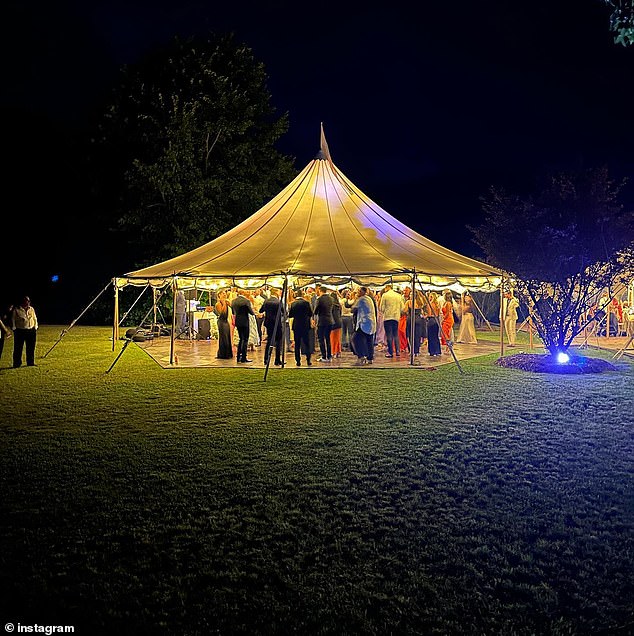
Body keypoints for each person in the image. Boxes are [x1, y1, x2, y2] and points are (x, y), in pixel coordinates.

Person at [351, 286, 376, 365]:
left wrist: (354, 299)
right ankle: (370, 358)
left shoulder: (361, 299)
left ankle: (361, 357)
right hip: (371, 323)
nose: (358, 293)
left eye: (359, 291)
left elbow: (352, 309)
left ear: (362, 292)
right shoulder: (370, 299)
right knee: (369, 341)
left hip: (363, 323)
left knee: (355, 339)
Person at [12, 296, 38, 368]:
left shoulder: (31, 309)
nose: (27, 303)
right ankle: (17, 363)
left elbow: (34, 318)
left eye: (28, 301)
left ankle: (30, 362)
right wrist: (14, 328)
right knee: (18, 348)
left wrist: (35, 327)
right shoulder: (17, 309)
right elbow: (13, 319)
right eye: (26, 301)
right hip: (20, 330)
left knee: (31, 347)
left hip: (31, 330)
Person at [289, 290, 314, 366]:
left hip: (296, 325)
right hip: (305, 325)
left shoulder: (293, 304)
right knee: (307, 343)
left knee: (297, 344)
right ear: (302, 295)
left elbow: (290, 315)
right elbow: (310, 313)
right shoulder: (306, 303)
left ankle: (298, 361)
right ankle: (308, 360)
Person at [260, 288, 283, 366]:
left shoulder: (266, 301)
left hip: (269, 323)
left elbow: (261, 310)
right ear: (276, 292)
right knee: (278, 341)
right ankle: (277, 359)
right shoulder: (278, 302)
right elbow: (283, 311)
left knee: (269, 341)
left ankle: (266, 359)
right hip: (277, 323)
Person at [231, 289, 256, 363]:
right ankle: (243, 357)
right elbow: (251, 312)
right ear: (243, 293)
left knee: (240, 338)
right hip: (245, 321)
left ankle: (238, 356)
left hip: (238, 321)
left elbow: (233, 312)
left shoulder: (234, 301)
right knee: (245, 339)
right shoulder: (246, 301)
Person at [379, 284, 404, 358]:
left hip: (387, 317)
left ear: (387, 288)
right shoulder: (398, 296)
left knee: (389, 335)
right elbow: (402, 307)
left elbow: (381, 308)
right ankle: (397, 351)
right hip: (396, 317)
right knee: (395, 334)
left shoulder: (385, 295)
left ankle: (390, 352)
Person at [314, 285, 334, 362]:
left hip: (322, 321)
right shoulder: (331, 299)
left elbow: (315, 311)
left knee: (321, 339)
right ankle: (329, 356)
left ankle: (324, 356)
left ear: (320, 291)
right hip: (330, 320)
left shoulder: (319, 299)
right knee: (328, 339)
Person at [405, 290, 426, 356]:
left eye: (411, 295)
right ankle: (416, 351)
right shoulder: (420, 302)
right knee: (417, 335)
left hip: (411, 319)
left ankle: (411, 350)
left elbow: (404, 310)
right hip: (419, 319)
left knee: (410, 335)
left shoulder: (409, 302)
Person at [214, 290, 233, 359]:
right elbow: (222, 313)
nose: (224, 295)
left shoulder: (227, 302)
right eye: (222, 294)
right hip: (221, 322)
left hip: (226, 321)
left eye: (225, 293)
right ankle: (223, 354)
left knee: (227, 337)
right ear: (219, 295)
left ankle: (228, 353)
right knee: (223, 337)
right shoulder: (218, 304)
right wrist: (224, 303)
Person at [426, 291, 442, 357]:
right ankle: (437, 350)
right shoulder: (437, 305)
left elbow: (429, 314)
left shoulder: (430, 304)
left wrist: (425, 316)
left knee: (431, 337)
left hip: (431, 321)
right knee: (436, 337)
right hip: (437, 320)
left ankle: (432, 351)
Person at [440, 290, 455, 354]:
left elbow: (448, 312)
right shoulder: (445, 303)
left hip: (448, 319)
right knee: (445, 333)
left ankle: (449, 346)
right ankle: (447, 347)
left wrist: (443, 319)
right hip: (446, 318)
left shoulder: (448, 303)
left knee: (446, 333)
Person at [330, 291, 343, 358]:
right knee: (337, 338)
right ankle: (338, 351)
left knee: (332, 338)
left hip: (333, 323)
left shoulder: (331, 305)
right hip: (339, 322)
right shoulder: (339, 305)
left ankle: (333, 352)